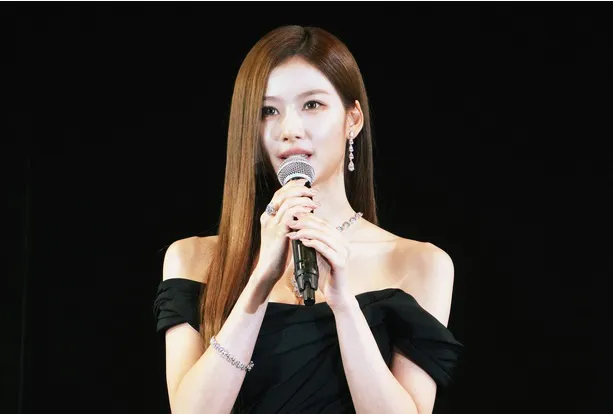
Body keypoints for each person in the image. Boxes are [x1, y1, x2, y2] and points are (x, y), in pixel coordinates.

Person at [153, 25, 463, 414]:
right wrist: (258, 284)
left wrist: (343, 303)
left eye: (312, 105)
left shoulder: (419, 264)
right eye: (268, 111)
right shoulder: (193, 259)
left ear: (353, 119)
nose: (290, 130)